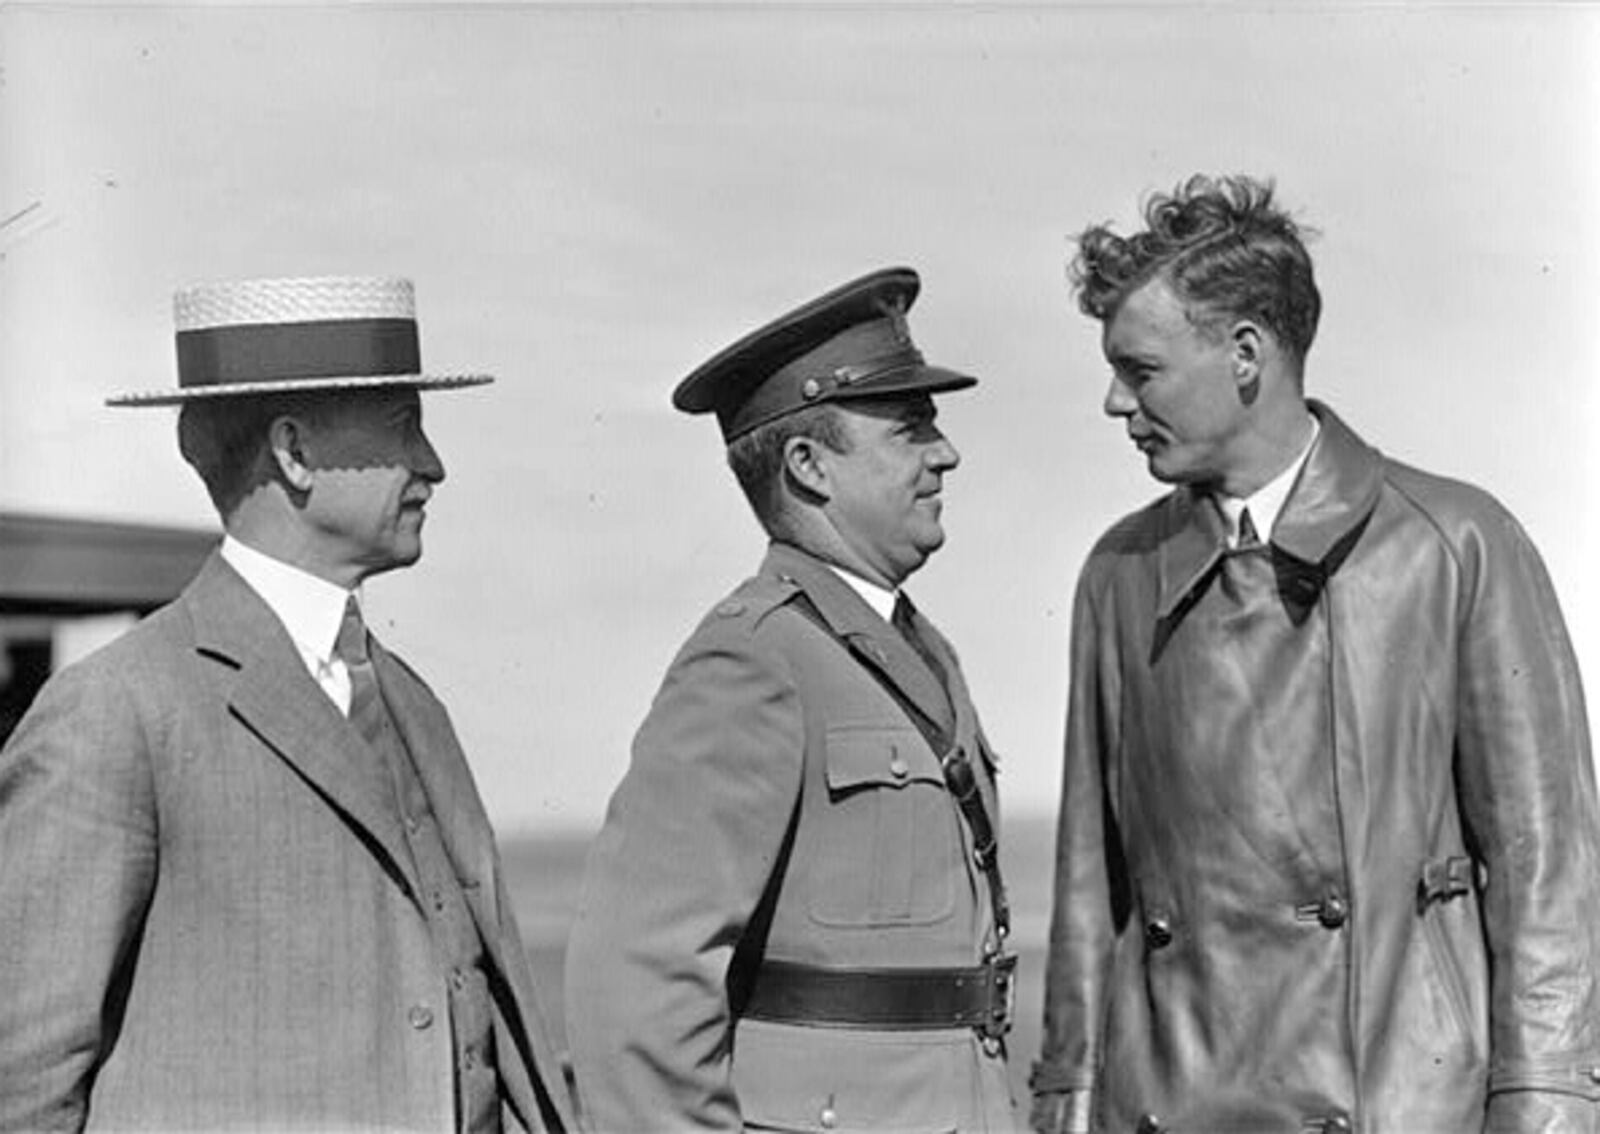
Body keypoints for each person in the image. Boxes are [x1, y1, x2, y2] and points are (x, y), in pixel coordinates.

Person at [1028, 175, 1600, 1134]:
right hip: (1168, 1104)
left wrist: (1547, 1107)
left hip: (1401, 1107)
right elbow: (1092, 891)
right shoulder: (1119, 574)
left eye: (1142, 368)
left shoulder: (1453, 543)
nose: (1113, 401)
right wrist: (1066, 1108)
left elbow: (1548, 869)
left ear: (1245, 353)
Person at [0, 276, 576, 1133]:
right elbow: (23, 1086)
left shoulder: (412, 702)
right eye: (402, 427)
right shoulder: (116, 711)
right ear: (295, 452)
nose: (434, 465)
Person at [566, 267, 1020, 1132]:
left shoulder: (919, 649)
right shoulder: (754, 659)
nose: (945, 453)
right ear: (809, 467)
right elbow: (635, 988)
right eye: (910, 428)